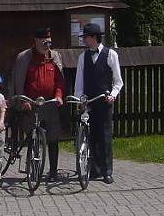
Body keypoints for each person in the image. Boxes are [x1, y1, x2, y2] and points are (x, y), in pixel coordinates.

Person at [10, 27, 66, 181]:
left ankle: (53, 172)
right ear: (35, 41)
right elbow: (18, 82)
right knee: (33, 137)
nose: (47, 45)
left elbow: (59, 81)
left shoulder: (54, 57)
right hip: (31, 104)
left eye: (49, 42)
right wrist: (23, 101)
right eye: (44, 42)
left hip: (50, 103)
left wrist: (59, 96)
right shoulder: (24, 58)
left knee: (53, 138)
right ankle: (33, 171)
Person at [75, 22, 123, 184]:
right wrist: (79, 99)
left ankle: (107, 170)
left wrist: (113, 95)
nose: (84, 40)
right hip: (89, 102)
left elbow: (118, 82)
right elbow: (79, 81)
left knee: (104, 136)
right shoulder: (83, 57)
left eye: (86, 37)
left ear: (94, 38)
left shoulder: (111, 55)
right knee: (91, 135)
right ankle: (93, 169)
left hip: (104, 101)